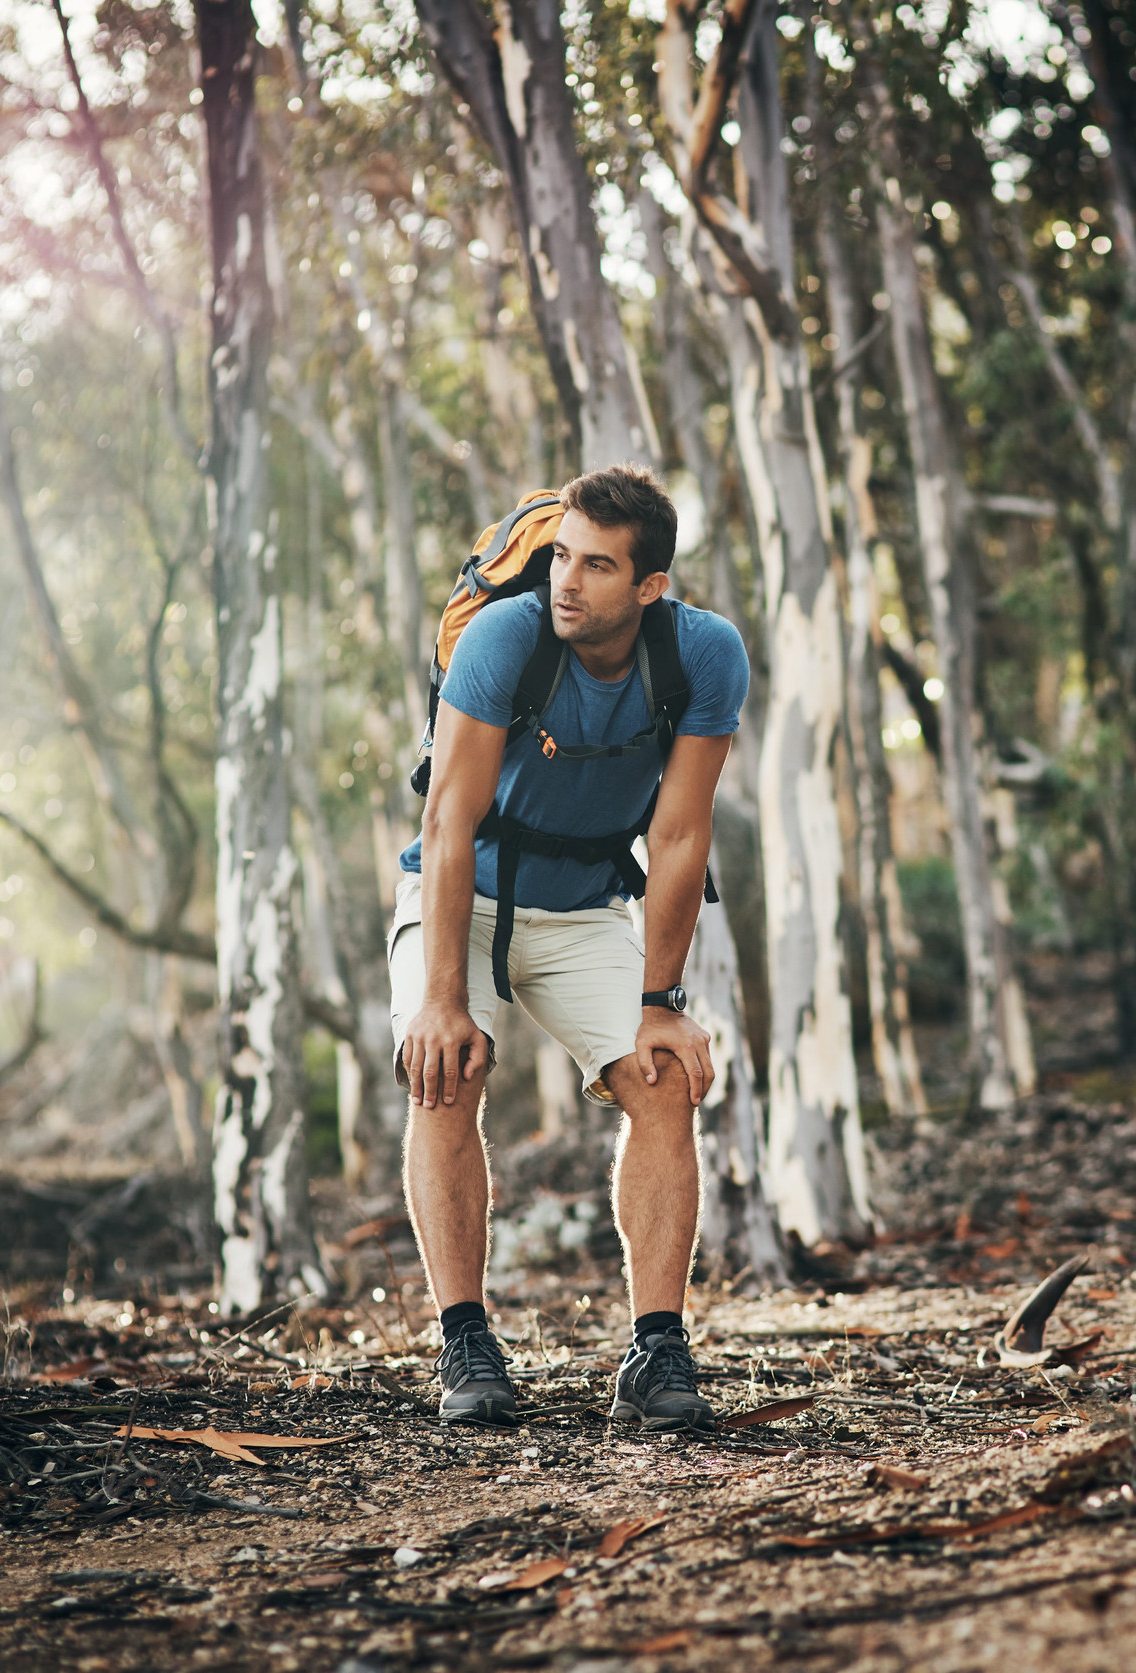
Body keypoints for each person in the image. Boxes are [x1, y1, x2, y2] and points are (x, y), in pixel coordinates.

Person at [391, 465, 746, 1431]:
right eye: (559, 557)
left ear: (649, 587)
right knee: (443, 1068)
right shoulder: (508, 638)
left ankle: (657, 1349)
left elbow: (678, 838)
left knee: (662, 1074)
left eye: (596, 565)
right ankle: (464, 1339)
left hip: (586, 903)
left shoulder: (704, 658)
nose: (566, 582)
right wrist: (439, 996)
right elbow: (450, 818)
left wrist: (659, 998)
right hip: (462, 892)